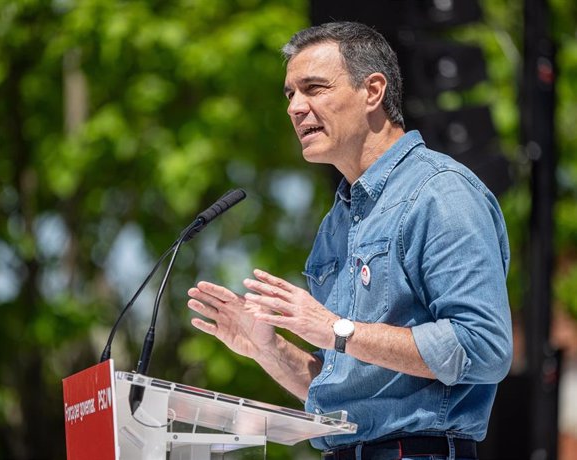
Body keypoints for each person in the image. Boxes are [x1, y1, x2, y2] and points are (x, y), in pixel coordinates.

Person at [187, 21, 512, 460]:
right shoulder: (336, 223)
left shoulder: (441, 192)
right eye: (290, 94)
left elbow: (484, 348)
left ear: (373, 91)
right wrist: (270, 349)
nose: (295, 108)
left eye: (314, 88)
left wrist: (335, 329)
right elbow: (347, 394)